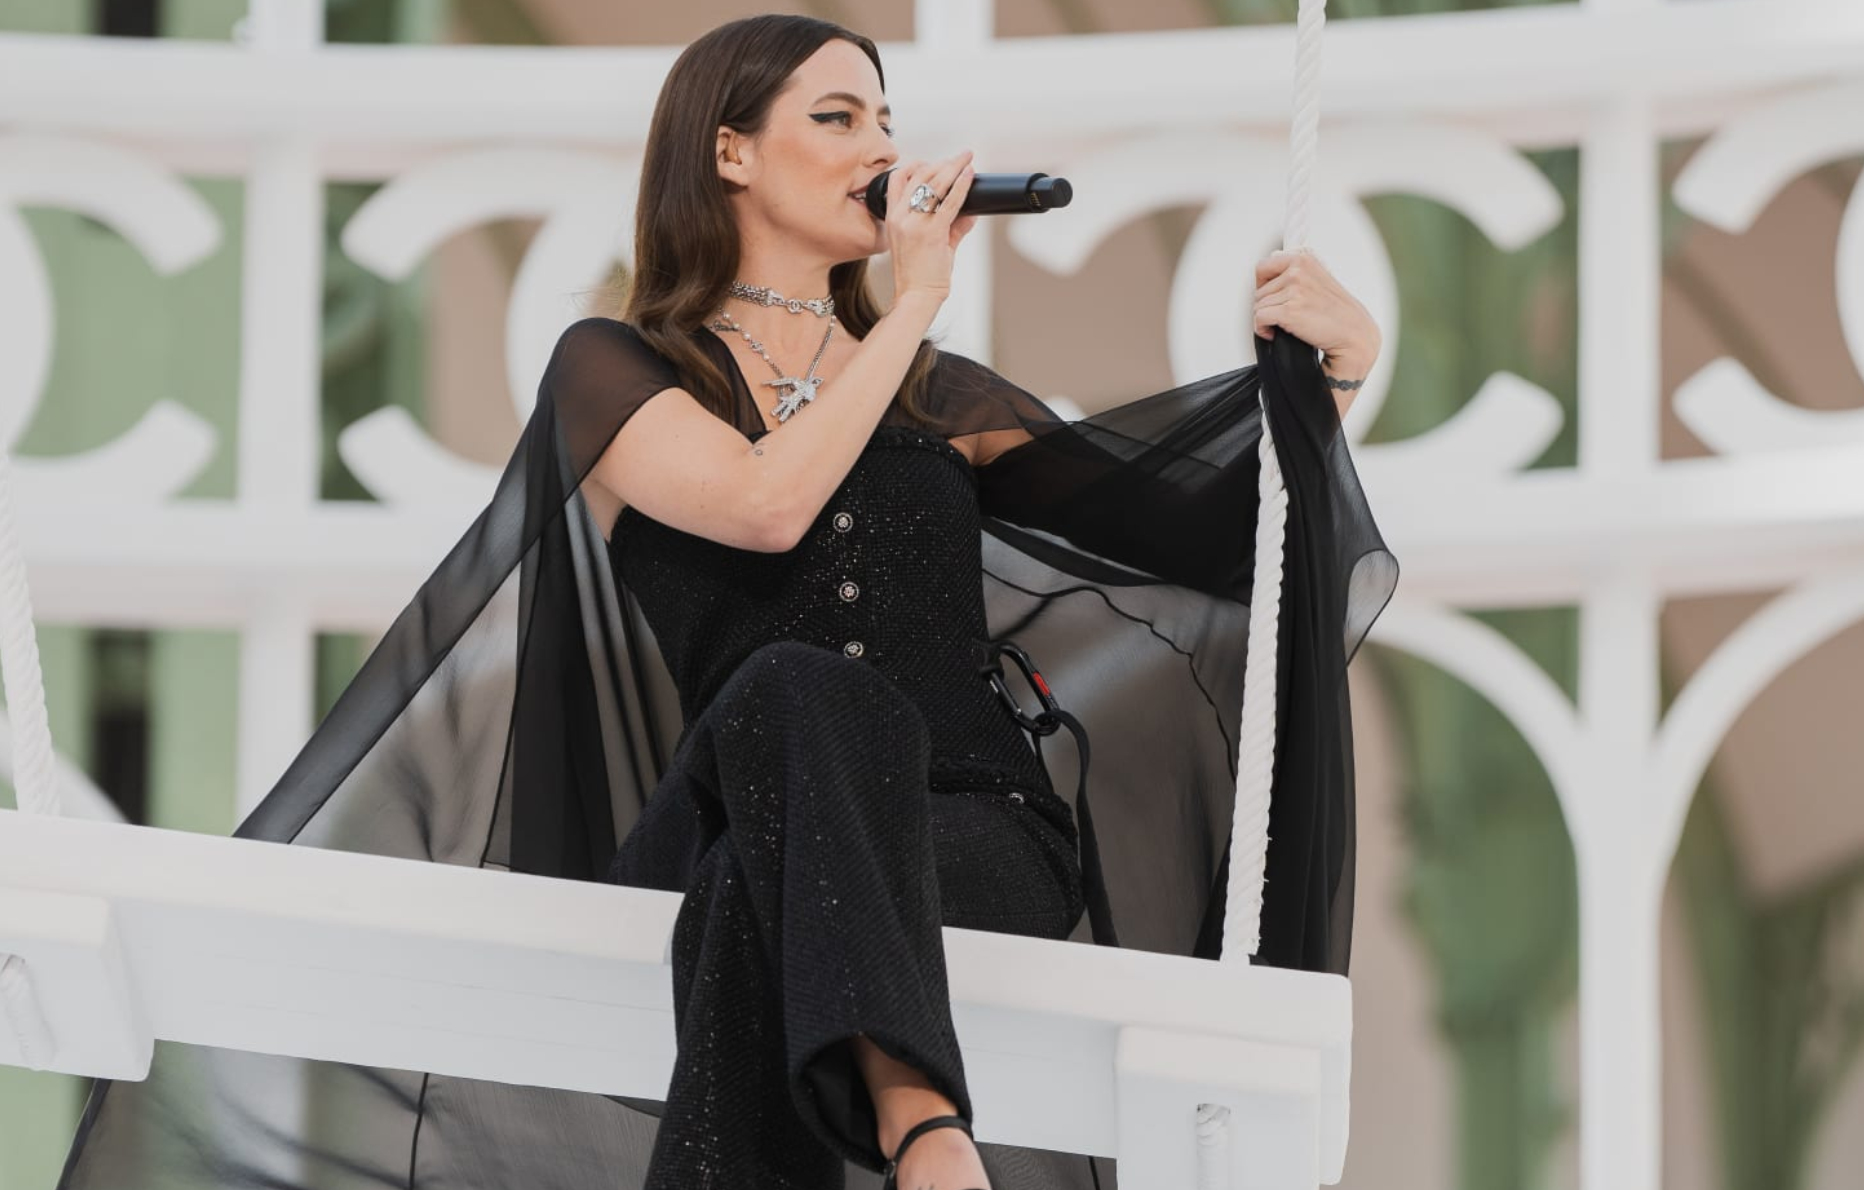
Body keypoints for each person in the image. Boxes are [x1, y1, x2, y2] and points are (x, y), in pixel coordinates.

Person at [56, 13, 1395, 1190]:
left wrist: (1332, 374)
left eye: (889, 117)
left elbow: (1220, 536)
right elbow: (766, 502)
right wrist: (909, 312)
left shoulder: (938, 391)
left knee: (756, 910)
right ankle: (925, 1125)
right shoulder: (620, 365)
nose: (880, 142)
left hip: (971, 839)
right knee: (792, 702)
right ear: (729, 150)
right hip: (718, 825)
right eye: (837, 115)